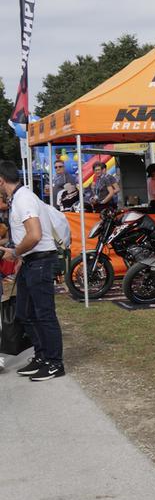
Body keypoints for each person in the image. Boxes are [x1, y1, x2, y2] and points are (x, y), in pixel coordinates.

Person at [0, 159, 65, 380]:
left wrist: (15, 252)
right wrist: (20, 256)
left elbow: (35, 235)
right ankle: (42, 356)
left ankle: (55, 363)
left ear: (1, 181)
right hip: (30, 261)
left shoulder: (24, 199)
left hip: (40, 262)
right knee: (25, 313)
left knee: (44, 314)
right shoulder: (19, 198)